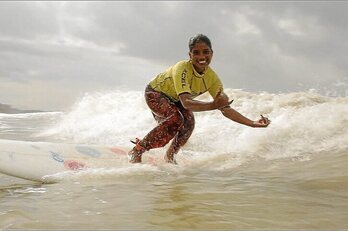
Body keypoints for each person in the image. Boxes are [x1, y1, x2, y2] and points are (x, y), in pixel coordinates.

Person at [128, 34, 270, 164]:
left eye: (205, 52)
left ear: (212, 54)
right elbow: (186, 102)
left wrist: (252, 123)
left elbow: (225, 109)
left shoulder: (213, 79)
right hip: (155, 93)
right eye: (196, 52)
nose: (201, 56)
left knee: (188, 123)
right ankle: (138, 150)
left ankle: (170, 156)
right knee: (176, 120)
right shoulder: (182, 68)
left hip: (175, 100)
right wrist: (214, 105)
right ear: (190, 55)